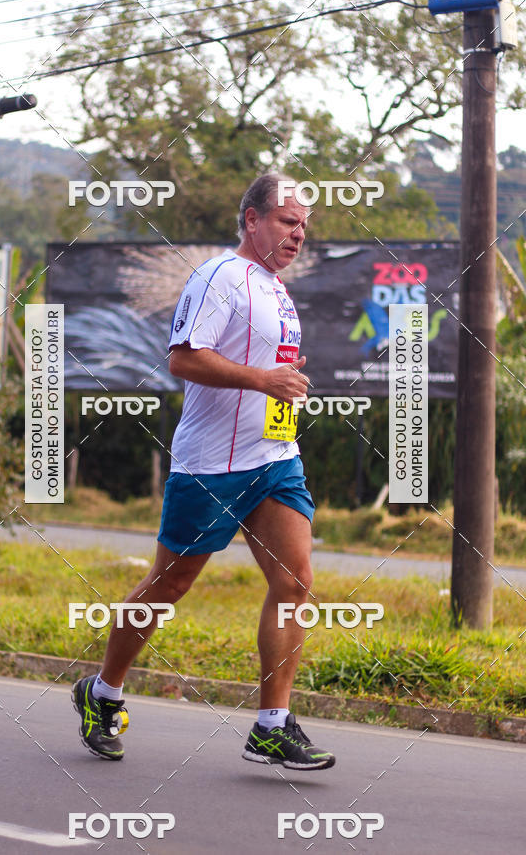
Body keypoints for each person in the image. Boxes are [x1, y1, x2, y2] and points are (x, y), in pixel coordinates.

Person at [73, 173, 336, 771]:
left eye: (304, 226)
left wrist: (284, 389)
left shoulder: (276, 290)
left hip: (274, 458)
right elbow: (184, 358)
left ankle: (272, 725)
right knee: (169, 586)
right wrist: (263, 379)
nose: (298, 234)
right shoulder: (219, 276)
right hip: (211, 465)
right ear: (251, 220)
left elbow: (267, 368)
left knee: (295, 583)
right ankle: (103, 690)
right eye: (287, 221)